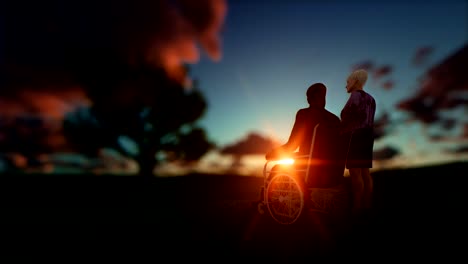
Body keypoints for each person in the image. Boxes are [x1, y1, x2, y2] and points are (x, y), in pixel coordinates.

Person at [265, 83, 341, 185]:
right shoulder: (335, 120)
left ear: (309, 99)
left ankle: (266, 199)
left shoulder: (304, 114)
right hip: (332, 176)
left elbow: (292, 145)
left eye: (308, 97)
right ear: (324, 97)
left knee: (276, 168)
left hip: (310, 173)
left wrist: (273, 153)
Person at [340, 69, 376, 219]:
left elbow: (346, 115)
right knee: (365, 172)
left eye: (347, 82)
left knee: (355, 172)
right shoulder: (371, 99)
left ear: (355, 81)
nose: (346, 86)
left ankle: (357, 207)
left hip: (356, 135)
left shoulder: (355, 96)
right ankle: (367, 204)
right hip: (368, 135)